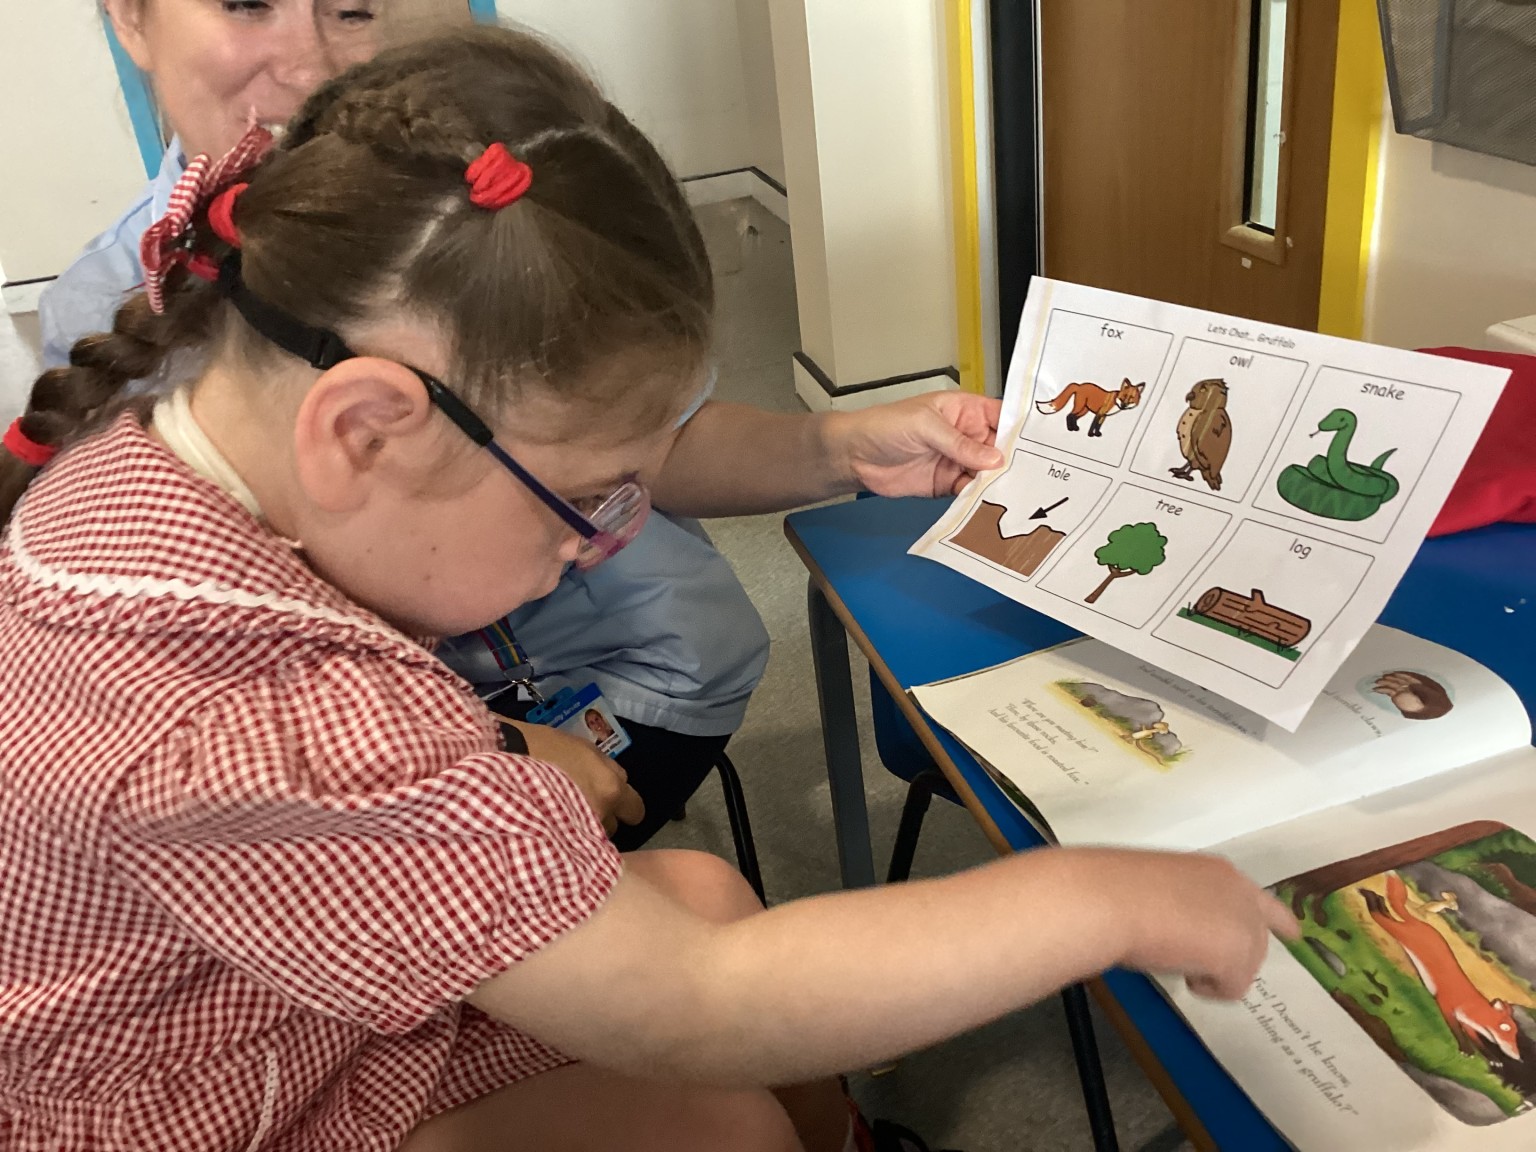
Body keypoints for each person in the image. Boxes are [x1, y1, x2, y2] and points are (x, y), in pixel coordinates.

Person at [0, 25, 1295, 1150]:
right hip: (201, 1097)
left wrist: (504, 743)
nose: (603, 540)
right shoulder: (264, 732)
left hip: (255, 991)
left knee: (711, 897)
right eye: (588, 500)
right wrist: (1101, 896)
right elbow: (698, 1002)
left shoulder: (171, 434)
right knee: (719, 1116)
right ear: (365, 431)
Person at [43, 0, 771, 852]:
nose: (311, 63)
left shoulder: (490, 226)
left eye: (353, 9)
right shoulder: (225, 719)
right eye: (247, 4)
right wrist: (483, 743)